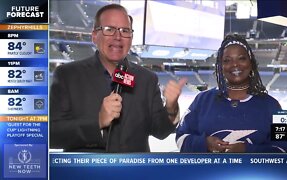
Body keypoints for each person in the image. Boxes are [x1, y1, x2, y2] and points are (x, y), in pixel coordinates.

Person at [50, 4, 186, 152]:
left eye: (125, 30)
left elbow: (160, 131)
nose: (118, 37)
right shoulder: (68, 75)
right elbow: (52, 135)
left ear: (131, 38)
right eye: (109, 29)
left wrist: (171, 108)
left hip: (134, 173)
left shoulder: (147, 79)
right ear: (94, 36)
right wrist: (98, 122)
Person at [176, 34, 287, 153]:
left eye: (241, 58)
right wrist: (204, 143)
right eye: (227, 60)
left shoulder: (271, 105)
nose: (235, 64)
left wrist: (248, 150)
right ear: (221, 66)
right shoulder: (202, 100)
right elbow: (181, 138)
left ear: (251, 63)